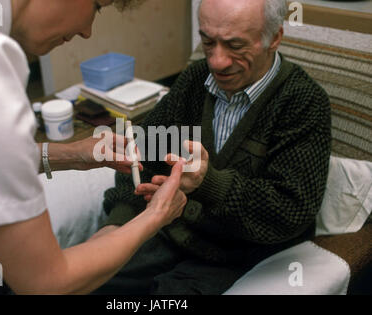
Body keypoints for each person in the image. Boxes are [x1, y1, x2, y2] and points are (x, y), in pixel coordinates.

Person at [0, 0, 188, 294]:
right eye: (98, 6)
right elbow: (47, 283)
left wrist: (72, 154)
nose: (87, 32)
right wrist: (156, 214)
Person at [94, 0, 332, 295]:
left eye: (235, 45)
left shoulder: (303, 102)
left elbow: (291, 212)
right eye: (208, 41)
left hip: (240, 255)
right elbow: (141, 154)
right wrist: (118, 224)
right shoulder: (196, 79)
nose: (217, 61)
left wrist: (208, 184)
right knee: (79, 283)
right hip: (171, 233)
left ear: (275, 38)